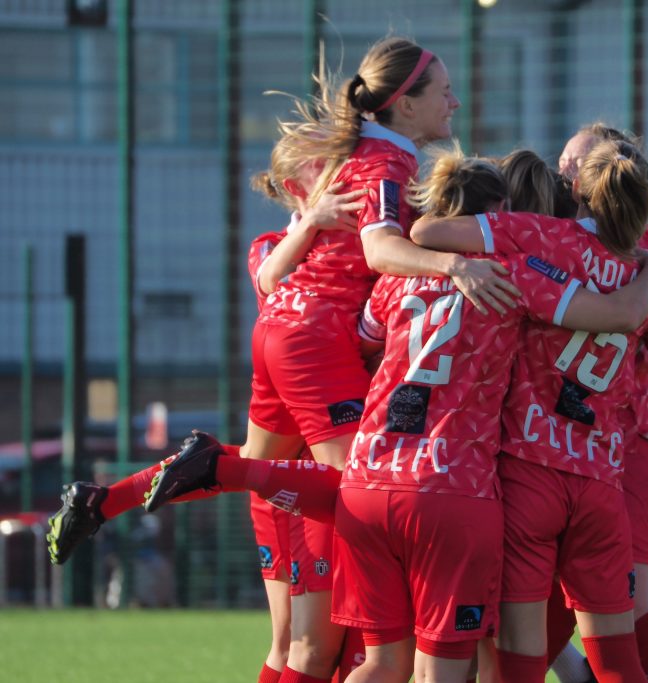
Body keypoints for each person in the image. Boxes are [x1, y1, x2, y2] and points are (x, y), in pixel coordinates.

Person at [47, 36, 516, 683]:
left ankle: (103, 500)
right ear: (403, 105)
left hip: (281, 336)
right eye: (442, 91)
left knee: (297, 645)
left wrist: (307, 228)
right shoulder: (387, 165)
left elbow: (269, 278)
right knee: (369, 495)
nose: (455, 101)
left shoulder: (331, 197)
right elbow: (380, 249)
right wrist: (456, 265)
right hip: (316, 340)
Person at [142, 149, 648, 683]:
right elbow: (633, 320)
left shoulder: (394, 283)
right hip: (466, 485)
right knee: (496, 660)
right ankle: (229, 469)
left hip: (370, 482)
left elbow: (365, 338)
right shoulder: (513, 277)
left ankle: (231, 469)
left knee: (382, 664)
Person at [410, 138, 648, 683]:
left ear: (577, 189)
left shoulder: (540, 239)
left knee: (515, 651)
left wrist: (461, 262)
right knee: (618, 638)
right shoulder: (643, 272)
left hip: (527, 469)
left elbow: (425, 232)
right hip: (600, 476)